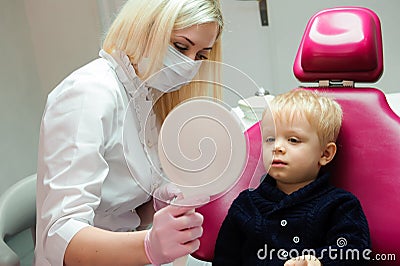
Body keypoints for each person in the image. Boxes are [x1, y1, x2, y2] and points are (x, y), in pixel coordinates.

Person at [34, 0, 224, 265]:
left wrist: (159, 201)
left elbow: (122, 209)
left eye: (201, 55)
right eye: (181, 47)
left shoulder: (145, 96)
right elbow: (59, 238)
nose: (189, 65)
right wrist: (148, 245)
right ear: (144, 29)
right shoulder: (88, 93)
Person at [213, 89, 371, 265]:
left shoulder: (340, 206)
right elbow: (224, 260)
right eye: (270, 139)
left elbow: (354, 252)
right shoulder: (245, 206)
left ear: (325, 154)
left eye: (293, 140)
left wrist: (319, 261)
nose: (277, 147)